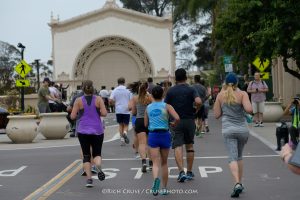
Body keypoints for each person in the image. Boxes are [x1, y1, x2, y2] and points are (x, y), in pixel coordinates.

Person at [213, 72, 252, 198]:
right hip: (242, 130)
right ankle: (240, 183)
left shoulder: (220, 95)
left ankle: (236, 183)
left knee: (232, 157)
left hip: (228, 129)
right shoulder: (242, 94)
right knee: (239, 156)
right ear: (237, 83)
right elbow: (249, 109)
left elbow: (216, 115)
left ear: (225, 83)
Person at [164, 68, 202, 182]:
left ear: (176, 78)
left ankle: (181, 171)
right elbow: (199, 101)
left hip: (176, 121)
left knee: (177, 146)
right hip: (189, 120)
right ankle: (189, 172)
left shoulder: (171, 91)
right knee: (189, 146)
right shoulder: (191, 89)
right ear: (186, 77)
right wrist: (196, 109)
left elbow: (166, 106)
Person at [71, 80, 107, 187]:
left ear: (83, 89)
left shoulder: (78, 100)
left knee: (86, 155)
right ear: (92, 88)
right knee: (97, 154)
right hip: (97, 130)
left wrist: (79, 113)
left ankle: (89, 180)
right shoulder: (99, 99)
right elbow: (104, 113)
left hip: (83, 130)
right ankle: (98, 166)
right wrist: (97, 112)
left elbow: (72, 116)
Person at [145, 85, 180, 196]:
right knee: (164, 163)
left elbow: (146, 124)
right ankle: (164, 188)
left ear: (152, 95)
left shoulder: (148, 107)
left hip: (153, 135)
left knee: (155, 163)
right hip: (165, 134)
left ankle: (156, 180)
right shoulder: (167, 106)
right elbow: (177, 118)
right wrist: (174, 123)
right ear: (163, 94)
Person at [131, 82, 152, 172]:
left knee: (142, 143)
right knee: (150, 143)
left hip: (139, 120)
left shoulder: (135, 98)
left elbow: (133, 112)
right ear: (147, 88)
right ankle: (151, 163)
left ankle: (143, 161)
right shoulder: (150, 97)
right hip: (150, 121)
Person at [109, 77, 132, 146]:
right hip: (126, 109)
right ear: (124, 82)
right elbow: (131, 100)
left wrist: (114, 104)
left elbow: (110, 100)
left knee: (120, 124)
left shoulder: (115, 90)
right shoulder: (128, 90)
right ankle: (125, 133)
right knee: (126, 124)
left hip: (118, 110)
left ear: (118, 82)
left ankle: (122, 140)